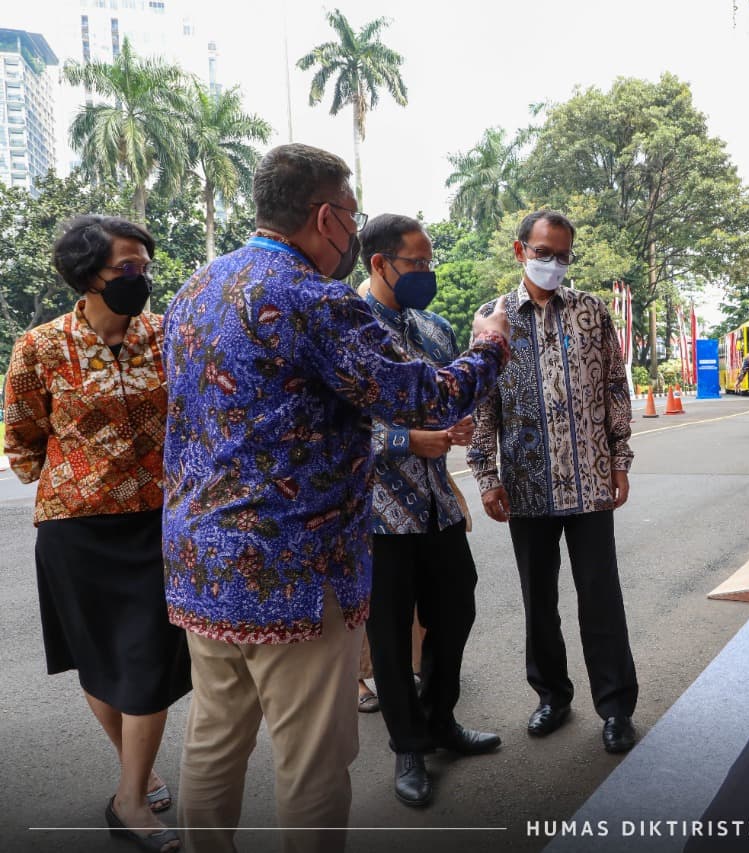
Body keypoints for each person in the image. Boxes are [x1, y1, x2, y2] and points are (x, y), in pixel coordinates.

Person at [162, 143, 510, 853]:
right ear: (325, 217)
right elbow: (423, 397)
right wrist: (490, 346)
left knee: (214, 738)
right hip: (296, 570)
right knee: (313, 757)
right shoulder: (313, 298)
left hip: (204, 565)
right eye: (351, 215)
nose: (352, 231)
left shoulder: (195, 288)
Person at [4, 215, 190, 853]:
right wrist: (80, 474)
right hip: (75, 529)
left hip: (156, 522)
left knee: (148, 659)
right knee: (99, 658)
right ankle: (136, 772)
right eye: (127, 268)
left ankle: (129, 799)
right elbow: (22, 441)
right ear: (89, 275)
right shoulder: (39, 347)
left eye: (145, 266)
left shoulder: (166, 335)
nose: (141, 278)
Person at [468, 209, 640, 755]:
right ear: (520, 250)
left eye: (563, 255)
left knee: (601, 597)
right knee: (538, 600)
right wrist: (486, 475)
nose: (553, 263)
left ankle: (616, 707)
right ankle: (551, 696)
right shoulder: (491, 318)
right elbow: (482, 404)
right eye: (543, 253)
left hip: (591, 482)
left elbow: (614, 387)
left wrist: (619, 460)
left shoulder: (591, 311)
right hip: (526, 486)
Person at [357, 213, 501, 808]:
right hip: (379, 514)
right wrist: (405, 441)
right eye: (416, 263)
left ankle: (440, 718)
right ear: (380, 263)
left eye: (428, 261)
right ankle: (408, 746)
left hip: (439, 504)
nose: (427, 272)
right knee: (390, 634)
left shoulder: (436, 328)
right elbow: (332, 429)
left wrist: (456, 426)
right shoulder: (350, 328)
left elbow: (453, 397)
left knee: (456, 609)